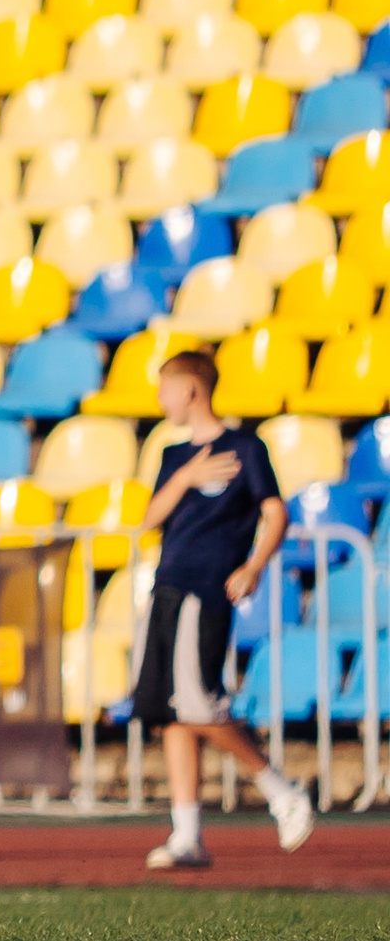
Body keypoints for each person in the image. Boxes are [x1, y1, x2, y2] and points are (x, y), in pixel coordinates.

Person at [131, 350, 315, 869]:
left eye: (166, 389)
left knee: (197, 703)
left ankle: (282, 790)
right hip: (167, 587)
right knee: (171, 715)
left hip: (206, 589)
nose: (161, 400)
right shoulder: (173, 457)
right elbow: (148, 520)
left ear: (190, 390)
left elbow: (275, 513)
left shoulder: (244, 448)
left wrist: (254, 565)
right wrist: (187, 476)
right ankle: (187, 834)